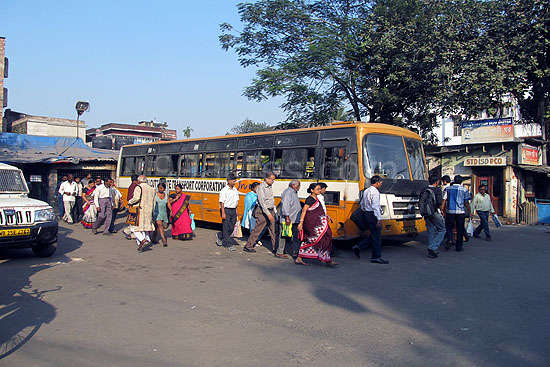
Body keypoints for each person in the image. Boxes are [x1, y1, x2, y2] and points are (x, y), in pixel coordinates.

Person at [295, 183, 337, 266]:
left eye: (320, 189)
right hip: (313, 224)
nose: (319, 190)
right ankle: (301, 257)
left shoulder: (317, 198)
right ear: (312, 190)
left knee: (325, 237)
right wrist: (301, 223)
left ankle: (326, 258)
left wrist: (326, 216)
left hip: (319, 223)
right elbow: (304, 211)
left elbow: (319, 211)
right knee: (313, 239)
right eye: (317, 189)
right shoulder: (310, 199)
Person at [351, 176, 388, 264]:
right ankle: (376, 257)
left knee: (374, 235)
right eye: (381, 182)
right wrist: (378, 219)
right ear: (377, 183)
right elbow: (375, 206)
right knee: (377, 236)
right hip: (373, 215)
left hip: (367, 214)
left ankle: (359, 246)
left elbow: (362, 204)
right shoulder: (375, 192)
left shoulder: (367, 190)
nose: (381, 184)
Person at [243, 172, 278, 253]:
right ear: (267, 179)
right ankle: (248, 246)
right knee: (258, 229)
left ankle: (275, 248)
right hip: (263, 211)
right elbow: (262, 203)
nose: (273, 181)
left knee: (273, 230)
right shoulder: (261, 187)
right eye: (272, 179)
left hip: (270, 210)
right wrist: (268, 214)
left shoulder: (269, 187)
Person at [442, 175, 472, 252]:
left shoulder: (448, 189)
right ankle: (459, 246)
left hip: (450, 212)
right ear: (461, 181)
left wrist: (442, 210)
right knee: (460, 229)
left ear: (454, 180)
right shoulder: (464, 190)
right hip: (460, 212)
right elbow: (466, 202)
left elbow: (444, 200)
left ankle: (449, 240)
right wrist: (469, 210)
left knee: (449, 227)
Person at [128, 175, 156, 252]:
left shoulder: (138, 187)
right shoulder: (152, 189)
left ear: (139, 180)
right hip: (148, 211)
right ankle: (146, 240)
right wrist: (152, 211)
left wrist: (130, 202)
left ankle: (142, 239)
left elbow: (136, 198)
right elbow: (154, 202)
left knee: (134, 227)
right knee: (145, 227)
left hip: (139, 210)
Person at [420, 176, 446, 258]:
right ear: (436, 182)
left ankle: (432, 250)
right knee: (442, 229)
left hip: (426, 212)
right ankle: (433, 247)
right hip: (434, 212)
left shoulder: (424, 189)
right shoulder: (437, 190)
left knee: (430, 230)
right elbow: (439, 202)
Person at [279, 180, 301, 258]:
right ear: (293, 185)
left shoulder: (293, 192)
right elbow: (285, 205)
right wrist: (287, 217)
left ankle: (291, 251)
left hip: (294, 219)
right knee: (284, 236)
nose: (299, 187)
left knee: (292, 236)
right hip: (288, 219)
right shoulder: (288, 192)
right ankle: (280, 252)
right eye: (298, 185)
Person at [218, 174, 240, 250]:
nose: (235, 182)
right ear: (229, 181)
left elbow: (236, 201)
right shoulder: (224, 191)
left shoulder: (235, 190)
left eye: (235, 181)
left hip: (233, 210)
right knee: (226, 226)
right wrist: (223, 213)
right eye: (233, 181)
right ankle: (228, 244)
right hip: (226, 210)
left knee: (231, 227)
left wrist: (236, 211)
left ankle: (220, 235)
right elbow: (222, 203)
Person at [123, 175, 140, 240]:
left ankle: (128, 231)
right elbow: (134, 197)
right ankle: (129, 231)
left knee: (133, 220)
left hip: (132, 204)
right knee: (134, 221)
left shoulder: (132, 185)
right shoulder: (135, 186)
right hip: (134, 205)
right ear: (136, 180)